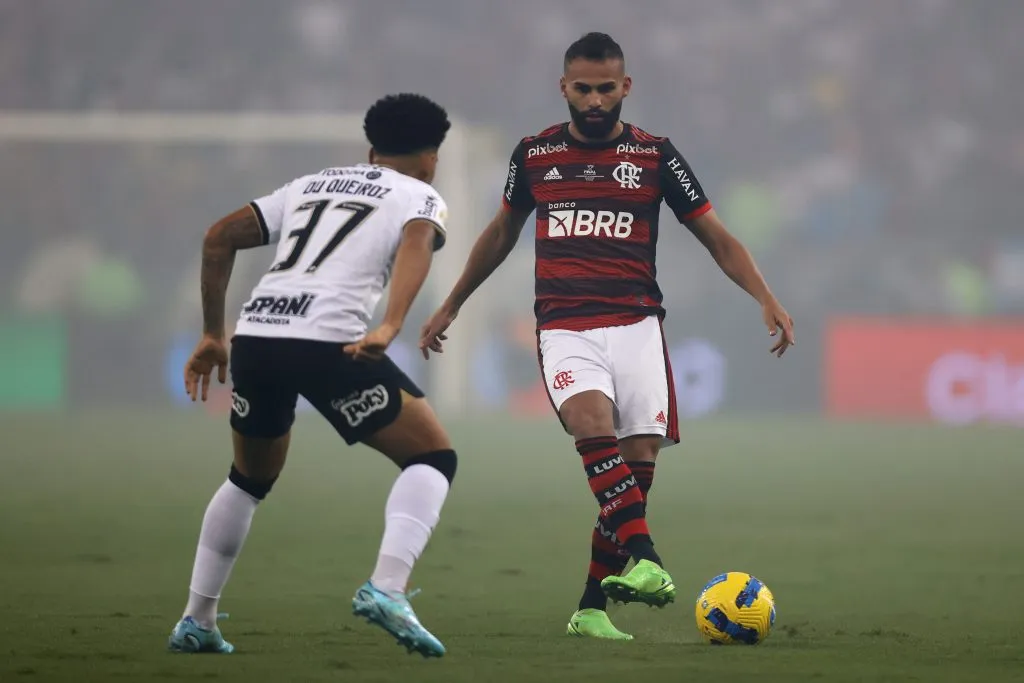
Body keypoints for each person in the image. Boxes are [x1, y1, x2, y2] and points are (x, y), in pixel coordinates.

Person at [419, 33, 794, 641]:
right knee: (592, 424)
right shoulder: (534, 154)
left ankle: (591, 606)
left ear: (625, 87)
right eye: (583, 88)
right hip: (566, 325)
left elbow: (717, 237)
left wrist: (766, 297)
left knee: (637, 462)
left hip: (637, 325)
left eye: (605, 88)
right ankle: (648, 560)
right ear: (564, 88)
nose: (594, 100)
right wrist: (453, 302)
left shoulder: (655, 156)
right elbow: (499, 234)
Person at [169, 93, 456, 658]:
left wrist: (212, 333)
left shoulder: (310, 184)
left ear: (372, 150)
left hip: (256, 337)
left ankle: (196, 620)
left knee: (248, 480)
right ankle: (388, 588)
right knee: (433, 457)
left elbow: (217, 237)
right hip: (330, 344)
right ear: (431, 157)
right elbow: (418, 242)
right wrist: (391, 323)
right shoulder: (420, 194)